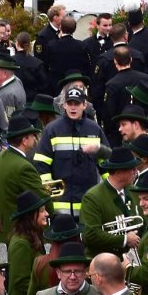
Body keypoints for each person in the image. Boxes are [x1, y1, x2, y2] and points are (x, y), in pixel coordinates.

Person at [35, 87, 111, 215]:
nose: (73, 107)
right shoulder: (52, 130)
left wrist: (109, 191)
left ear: (84, 105)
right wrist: (53, 195)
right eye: (70, 103)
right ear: (64, 105)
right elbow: (41, 165)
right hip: (60, 208)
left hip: (88, 206)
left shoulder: (94, 130)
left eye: (77, 103)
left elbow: (107, 164)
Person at [0, 115, 50, 236]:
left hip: (6, 225)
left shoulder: (1, 157)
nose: (35, 139)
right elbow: (41, 197)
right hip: (23, 229)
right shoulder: (24, 167)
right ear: (24, 140)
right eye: (32, 136)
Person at [79, 148, 140, 258]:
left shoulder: (134, 191)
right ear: (119, 172)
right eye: (132, 169)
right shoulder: (93, 197)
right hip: (102, 261)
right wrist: (125, 239)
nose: (136, 171)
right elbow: (90, 235)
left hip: (131, 259)